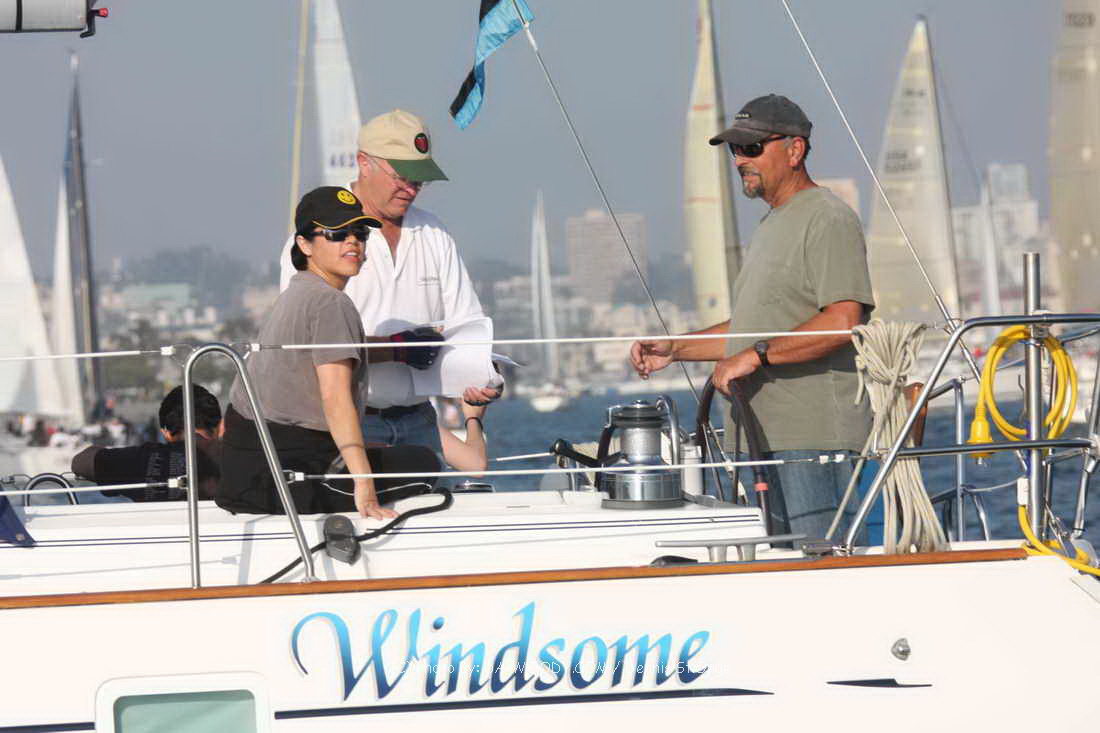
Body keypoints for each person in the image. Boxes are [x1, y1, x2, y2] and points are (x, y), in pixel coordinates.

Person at [630, 94, 874, 540]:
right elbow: (750, 327)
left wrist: (755, 356)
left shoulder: (827, 217)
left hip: (811, 438)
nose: (740, 159)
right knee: (780, 565)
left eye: (752, 147)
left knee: (820, 564)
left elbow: (843, 321)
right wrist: (676, 348)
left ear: (795, 150)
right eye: (735, 149)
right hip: (761, 439)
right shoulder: (772, 225)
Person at [278, 109, 501, 461]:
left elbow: (467, 325)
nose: (410, 189)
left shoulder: (435, 233)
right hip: (348, 421)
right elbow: (306, 347)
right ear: (363, 163)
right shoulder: (318, 237)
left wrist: (484, 374)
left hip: (420, 420)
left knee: (430, 496)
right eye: (401, 177)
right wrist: (398, 348)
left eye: (419, 180)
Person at [220, 186, 440, 520]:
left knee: (389, 454)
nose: (352, 242)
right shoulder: (331, 303)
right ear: (304, 244)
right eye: (336, 234)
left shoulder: (299, 292)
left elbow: (331, 355)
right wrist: (364, 484)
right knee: (423, 463)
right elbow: (335, 396)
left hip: (249, 472)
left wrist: (397, 348)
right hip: (288, 478)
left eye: (360, 233)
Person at [71, 384, 223, 501]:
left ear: (165, 432)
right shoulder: (233, 456)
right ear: (220, 427)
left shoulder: (143, 459)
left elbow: (80, 462)